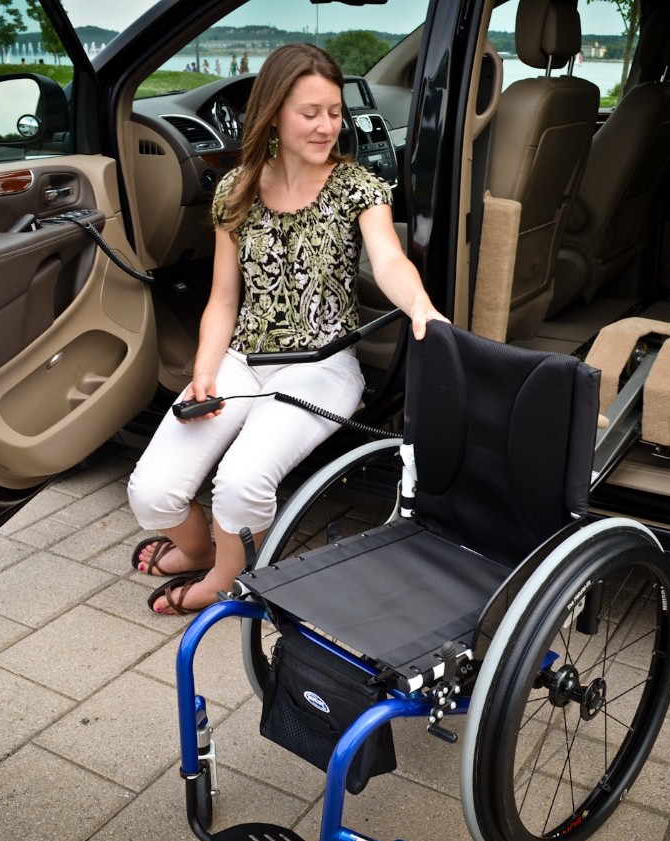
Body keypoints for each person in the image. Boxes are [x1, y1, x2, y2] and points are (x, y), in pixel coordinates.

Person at [127, 43, 445, 616]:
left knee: (241, 484)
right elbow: (223, 299)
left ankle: (224, 579)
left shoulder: (358, 186)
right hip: (243, 360)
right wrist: (203, 375)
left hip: (323, 365)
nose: (328, 126)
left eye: (334, 111)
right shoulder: (236, 190)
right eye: (310, 113)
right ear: (274, 112)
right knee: (151, 491)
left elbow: (391, 261)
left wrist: (420, 305)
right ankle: (197, 548)